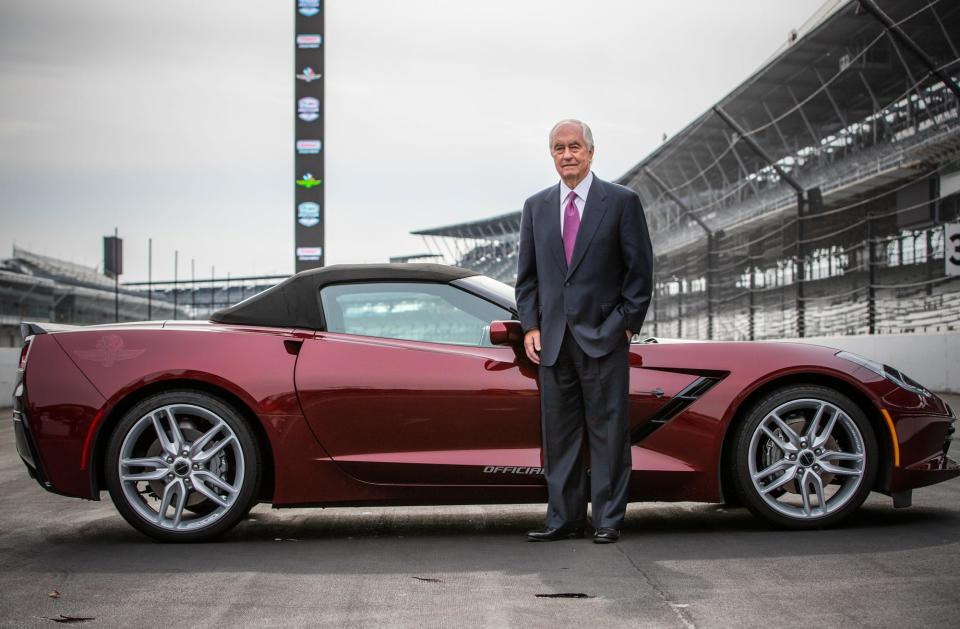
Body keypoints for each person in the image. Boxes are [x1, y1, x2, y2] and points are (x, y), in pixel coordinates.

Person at [515, 119, 653, 544]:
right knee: (559, 436)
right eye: (559, 148)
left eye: (575, 146)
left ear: (591, 152)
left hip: (604, 339)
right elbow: (528, 279)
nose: (567, 154)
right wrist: (531, 327)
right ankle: (564, 518)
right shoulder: (535, 207)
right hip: (553, 343)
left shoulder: (621, 202)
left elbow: (640, 275)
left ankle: (608, 519)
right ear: (552, 156)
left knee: (609, 433)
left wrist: (624, 327)